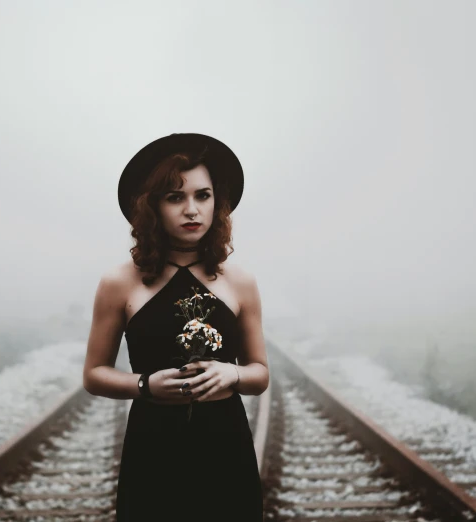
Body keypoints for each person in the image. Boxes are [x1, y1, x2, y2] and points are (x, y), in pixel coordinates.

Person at [83, 132, 268, 521]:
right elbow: (94, 375)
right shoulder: (120, 282)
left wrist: (231, 373)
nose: (192, 210)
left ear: (217, 202)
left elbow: (260, 375)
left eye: (203, 195)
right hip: (153, 444)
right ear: (152, 207)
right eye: (175, 197)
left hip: (225, 445)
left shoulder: (240, 281)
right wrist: (144, 385)